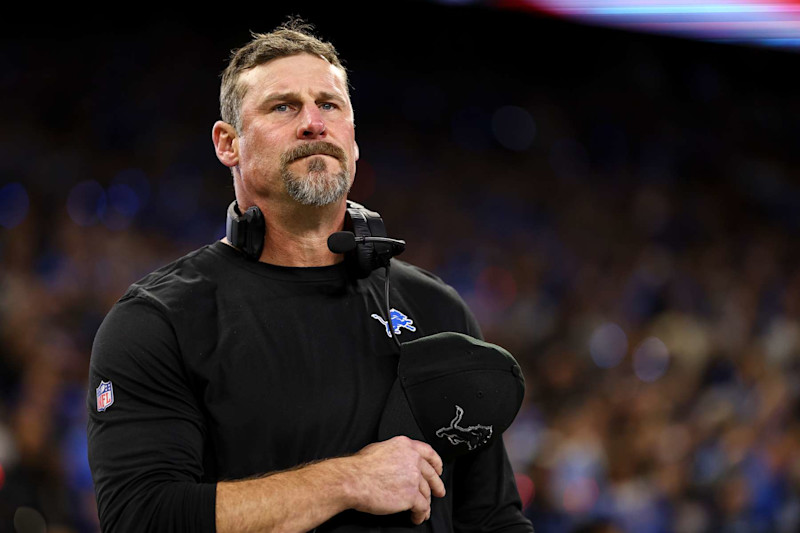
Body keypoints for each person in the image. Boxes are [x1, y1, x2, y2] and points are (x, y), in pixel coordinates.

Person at [87, 19, 534, 532]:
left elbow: (493, 518)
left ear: (353, 139)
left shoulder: (436, 309)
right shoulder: (159, 322)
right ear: (227, 143)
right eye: (283, 107)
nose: (313, 123)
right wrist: (347, 481)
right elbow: (141, 519)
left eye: (329, 105)